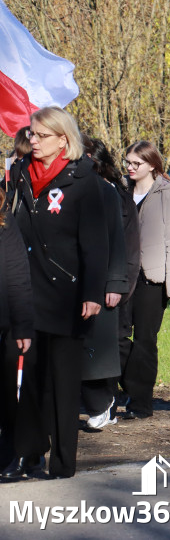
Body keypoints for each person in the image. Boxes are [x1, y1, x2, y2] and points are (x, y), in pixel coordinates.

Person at [3, 106, 108, 480]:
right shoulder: (17, 175)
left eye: (41, 135)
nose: (33, 140)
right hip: (23, 293)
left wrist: (93, 291)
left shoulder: (83, 180)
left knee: (63, 383)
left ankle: (63, 462)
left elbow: (95, 244)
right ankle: (28, 454)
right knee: (25, 381)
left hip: (66, 295)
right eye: (31, 134)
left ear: (63, 139)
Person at [119, 140, 170, 420]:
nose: (131, 168)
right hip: (123, 276)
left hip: (152, 278)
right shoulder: (121, 192)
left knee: (146, 340)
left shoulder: (166, 194)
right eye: (128, 162)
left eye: (137, 163)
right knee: (117, 338)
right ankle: (127, 388)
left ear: (152, 165)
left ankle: (141, 402)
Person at [80, 137, 140, 430]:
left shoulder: (112, 193)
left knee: (105, 345)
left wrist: (117, 282)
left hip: (110, 281)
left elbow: (124, 243)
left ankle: (107, 400)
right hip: (80, 281)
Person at [0, 186, 35, 474]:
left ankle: (11, 449)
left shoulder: (4, 219)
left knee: (6, 394)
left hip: (5, 323)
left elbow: (16, 273)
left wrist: (22, 325)